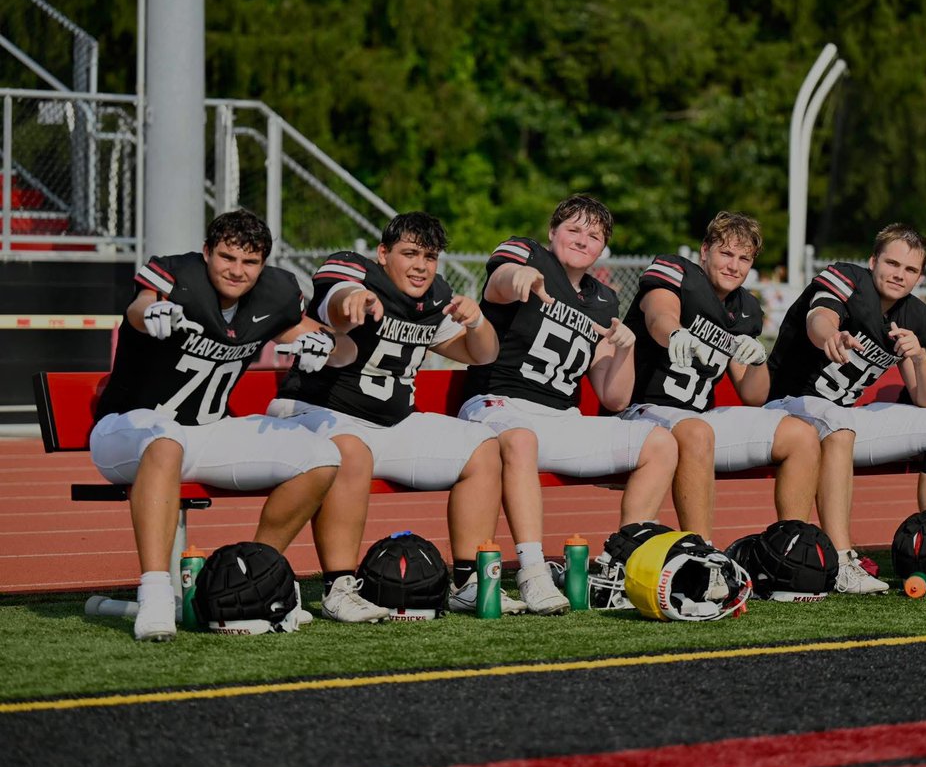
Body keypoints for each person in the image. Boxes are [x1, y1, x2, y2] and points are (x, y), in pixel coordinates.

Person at [90, 209, 341, 641]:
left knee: (321, 456)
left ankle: (257, 580)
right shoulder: (177, 276)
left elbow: (312, 334)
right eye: (227, 257)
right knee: (166, 440)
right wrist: (152, 313)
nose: (237, 270)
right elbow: (141, 305)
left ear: (262, 264)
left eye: (250, 262)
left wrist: (322, 342)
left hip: (206, 431)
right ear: (207, 252)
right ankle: (155, 594)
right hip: (128, 430)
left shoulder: (276, 291)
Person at [268, 212, 516, 620]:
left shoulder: (434, 297)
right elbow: (336, 303)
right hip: (317, 414)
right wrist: (355, 300)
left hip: (391, 424)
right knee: (352, 450)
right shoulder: (355, 273)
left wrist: (477, 321)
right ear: (383, 254)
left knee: (483, 447)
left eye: (430, 256)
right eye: (410, 253)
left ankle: (469, 582)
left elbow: (482, 354)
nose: (421, 265)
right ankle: (338, 587)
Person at [459, 194, 678, 614]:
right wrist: (519, 276)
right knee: (521, 439)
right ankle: (533, 571)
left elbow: (614, 396)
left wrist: (625, 347)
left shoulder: (603, 299)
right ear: (552, 232)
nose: (582, 240)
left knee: (660, 443)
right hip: (499, 404)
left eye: (593, 236)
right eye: (573, 229)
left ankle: (622, 564)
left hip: (561, 416)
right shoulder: (528, 256)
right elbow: (499, 281)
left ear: (603, 248)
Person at [765, 223, 926, 594]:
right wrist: (831, 335)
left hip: (841, 416)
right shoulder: (848, 280)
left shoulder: (915, 316)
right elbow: (819, 316)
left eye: (910, 269)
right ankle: (841, 560)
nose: (899, 274)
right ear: (873, 261)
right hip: (788, 405)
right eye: (892, 263)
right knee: (838, 419)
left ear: (920, 277)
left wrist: (918, 357)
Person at [618, 211, 821, 542]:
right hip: (643, 412)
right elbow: (659, 313)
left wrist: (757, 360)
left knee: (801, 434)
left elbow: (754, 395)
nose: (734, 266)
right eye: (726, 253)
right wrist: (675, 333)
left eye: (744, 258)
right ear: (705, 251)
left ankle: (792, 548)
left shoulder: (746, 309)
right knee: (698, 432)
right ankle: (703, 549)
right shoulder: (677, 273)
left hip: (698, 418)